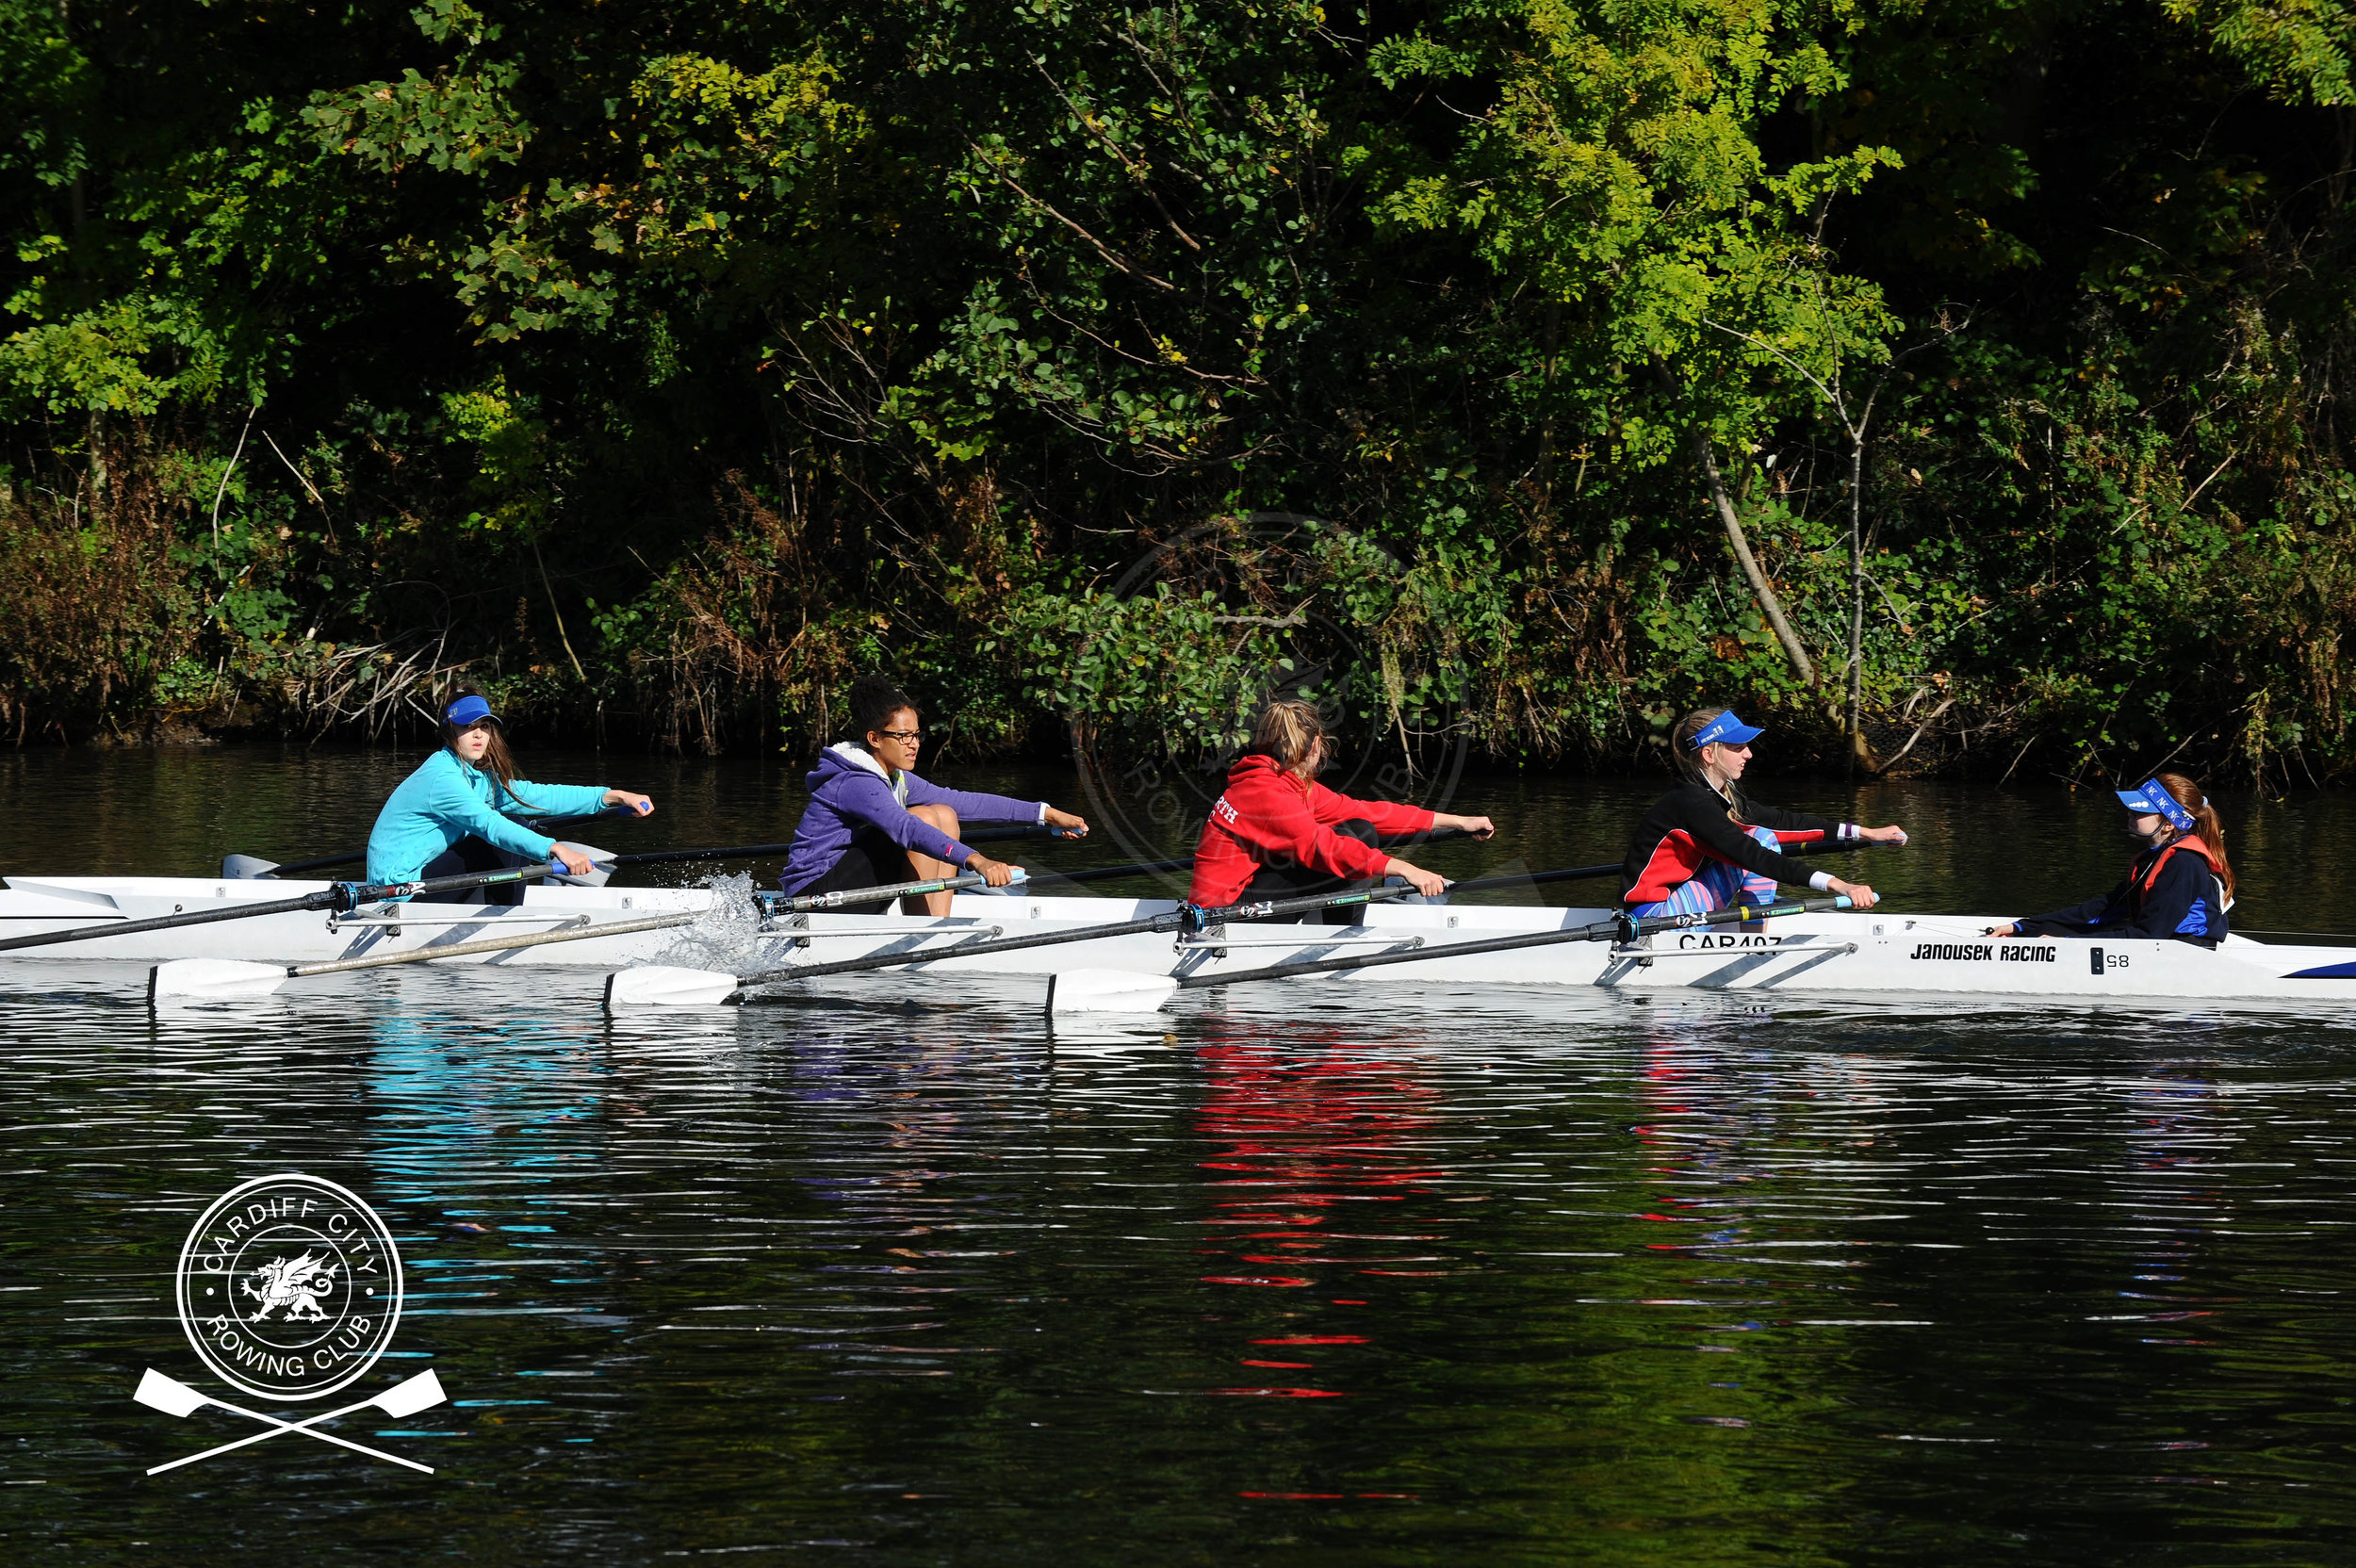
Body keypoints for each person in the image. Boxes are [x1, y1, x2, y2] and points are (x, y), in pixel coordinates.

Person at [778, 674, 1092, 916]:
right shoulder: (855, 782)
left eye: (916, 734)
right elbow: (907, 830)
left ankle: (936, 924)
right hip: (814, 898)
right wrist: (978, 861)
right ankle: (920, 929)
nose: (913, 744)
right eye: (903, 736)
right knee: (923, 817)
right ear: (874, 738)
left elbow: (965, 801)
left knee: (944, 811)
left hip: (847, 886)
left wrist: (1045, 814)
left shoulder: (895, 777)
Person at [1187, 698, 1496, 920]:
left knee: (1361, 828)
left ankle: (1340, 926)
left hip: (1246, 895)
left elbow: (1369, 813)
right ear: (1316, 746)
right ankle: (1344, 933)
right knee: (1353, 842)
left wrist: (1458, 821)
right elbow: (1324, 847)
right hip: (1223, 915)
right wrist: (1406, 869)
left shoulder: (1291, 785)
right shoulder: (1265, 793)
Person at [367, 692, 654, 904]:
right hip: (399, 892)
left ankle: (504, 908)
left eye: (485, 726)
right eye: (467, 726)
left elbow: (538, 795)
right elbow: (491, 825)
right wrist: (554, 849)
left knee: (515, 821)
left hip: (422, 875)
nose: (478, 735)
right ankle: (507, 914)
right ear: (448, 730)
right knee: (507, 827)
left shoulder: (476, 777)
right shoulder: (442, 778)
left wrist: (611, 796)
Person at [1622, 707, 1904, 917]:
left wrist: (1865, 833)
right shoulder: (1691, 804)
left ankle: (1754, 935)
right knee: (1763, 842)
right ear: (1709, 754)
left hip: (1674, 906)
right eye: (1738, 747)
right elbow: (1753, 855)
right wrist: (1839, 885)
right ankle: (1756, 943)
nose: (1749, 754)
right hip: (1653, 918)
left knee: (1765, 835)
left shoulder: (1715, 797)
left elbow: (1783, 822)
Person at [1988, 774, 2234, 946]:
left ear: (2169, 824)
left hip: (2184, 953)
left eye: (2140, 811)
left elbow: (2151, 936)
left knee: (2053, 938)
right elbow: (2100, 910)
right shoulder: (2151, 859)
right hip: (2157, 944)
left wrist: (2067, 944)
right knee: (2042, 933)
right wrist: (2023, 927)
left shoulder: (2184, 864)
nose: (2130, 814)